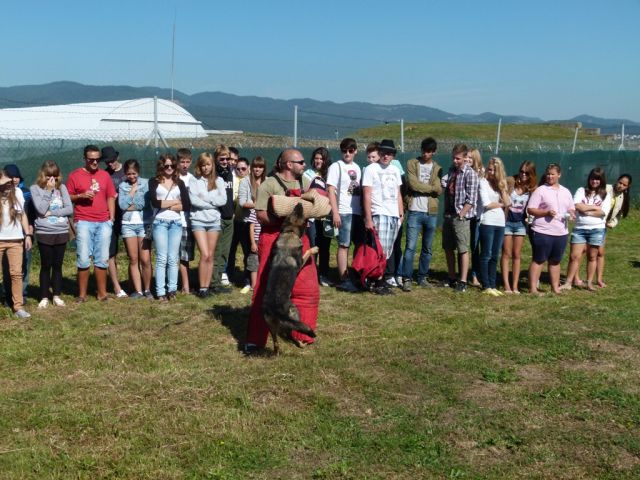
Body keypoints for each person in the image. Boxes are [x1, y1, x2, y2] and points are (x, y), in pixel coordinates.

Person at [244, 148, 317, 354]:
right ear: (288, 164)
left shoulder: (304, 182)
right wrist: (284, 218)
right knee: (265, 291)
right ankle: (256, 340)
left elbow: (313, 205)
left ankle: (302, 334)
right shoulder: (269, 184)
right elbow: (260, 215)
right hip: (273, 237)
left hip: (299, 237)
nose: (304, 165)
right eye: (301, 162)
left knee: (307, 288)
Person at [66, 145, 117, 302]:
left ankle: (102, 294)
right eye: (91, 160)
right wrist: (80, 196)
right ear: (85, 159)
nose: (95, 162)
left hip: (104, 221)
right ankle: (82, 295)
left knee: (102, 258)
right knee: (83, 258)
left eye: (97, 159)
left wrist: (111, 218)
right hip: (84, 221)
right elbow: (67, 197)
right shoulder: (75, 175)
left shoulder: (105, 175)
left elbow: (111, 196)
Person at [362, 139, 404, 295]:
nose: (386, 156)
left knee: (388, 250)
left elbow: (398, 193)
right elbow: (367, 194)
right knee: (380, 250)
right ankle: (378, 281)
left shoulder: (395, 170)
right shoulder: (371, 169)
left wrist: (400, 213)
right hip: (379, 213)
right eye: (384, 153)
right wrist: (368, 218)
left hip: (393, 214)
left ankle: (379, 278)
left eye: (390, 153)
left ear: (393, 155)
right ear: (379, 153)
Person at [526, 163, 575, 295]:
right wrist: (545, 213)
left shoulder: (566, 191)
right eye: (548, 174)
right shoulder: (540, 190)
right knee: (539, 260)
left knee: (555, 261)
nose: (550, 176)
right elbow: (530, 209)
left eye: (553, 174)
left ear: (559, 175)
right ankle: (533, 289)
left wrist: (571, 213)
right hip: (542, 231)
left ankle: (555, 288)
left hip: (561, 232)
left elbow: (571, 208)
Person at [30, 161, 73, 309]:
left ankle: (56, 295)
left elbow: (69, 209)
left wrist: (53, 212)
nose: (52, 179)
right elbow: (41, 210)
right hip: (44, 232)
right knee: (46, 265)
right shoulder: (35, 189)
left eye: (55, 176)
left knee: (57, 265)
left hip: (61, 231)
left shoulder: (62, 188)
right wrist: (48, 191)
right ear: (42, 175)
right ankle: (44, 296)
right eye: (49, 176)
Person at [560, 167, 611, 292]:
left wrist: (586, 211)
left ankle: (589, 283)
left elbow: (603, 212)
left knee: (592, 256)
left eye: (598, 179)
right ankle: (568, 283)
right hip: (580, 228)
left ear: (602, 180)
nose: (595, 181)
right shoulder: (581, 190)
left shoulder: (605, 195)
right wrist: (594, 207)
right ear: (589, 179)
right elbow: (577, 205)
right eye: (593, 178)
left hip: (597, 229)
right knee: (574, 256)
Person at [401, 137, 442, 289]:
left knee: (427, 248)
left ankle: (422, 277)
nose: (426, 154)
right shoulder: (412, 163)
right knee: (410, 246)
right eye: (424, 151)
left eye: (429, 152)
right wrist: (430, 188)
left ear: (434, 152)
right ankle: (407, 278)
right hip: (414, 211)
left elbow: (439, 189)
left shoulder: (437, 168)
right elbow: (413, 184)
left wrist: (425, 187)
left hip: (431, 212)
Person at [149, 154, 190, 302]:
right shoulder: (154, 181)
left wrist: (166, 204)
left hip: (176, 223)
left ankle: (172, 290)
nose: (169, 168)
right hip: (160, 222)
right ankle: (160, 292)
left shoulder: (179, 182)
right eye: (166, 166)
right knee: (161, 258)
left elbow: (186, 204)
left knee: (173, 258)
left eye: (172, 166)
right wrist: (174, 202)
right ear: (161, 166)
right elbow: (155, 202)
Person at [326, 137, 363, 292]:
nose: (347, 153)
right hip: (343, 211)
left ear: (355, 151)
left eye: (350, 150)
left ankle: (355, 273)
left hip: (357, 212)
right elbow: (330, 190)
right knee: (344, 244)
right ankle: (343, 278)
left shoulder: (358, 168)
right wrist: (335, 212)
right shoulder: (336, 166)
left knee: (359, 244)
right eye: (344, 150)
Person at [189, 152, 227, 298]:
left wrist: (205, 198)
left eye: (208, 164)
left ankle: (206, 287)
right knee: (204, 254)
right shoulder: (194, 180)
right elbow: (194, 201)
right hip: (198, 220)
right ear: (199, 166)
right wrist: (212, 202)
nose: (206, 168)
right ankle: (201, 287)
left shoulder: (219, 181)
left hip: (214, 221)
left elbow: (223, 200)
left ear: (212, 165)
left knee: (210, 255)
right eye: (203, 165)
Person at [442, 144, 479, 292]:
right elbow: (444, 184)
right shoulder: (451, 171)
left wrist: (461, 214)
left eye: (458, 158)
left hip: (460, 217)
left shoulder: (470, 174)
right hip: (448, 214)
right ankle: (452, 277)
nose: (455, 161)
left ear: (465, 158)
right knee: (448, 248)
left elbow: (472, 199)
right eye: (453, 158)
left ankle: (463, 281)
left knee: (462, 249)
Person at [118, 159, 152, 299]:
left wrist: (130, 205)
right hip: (128, 225)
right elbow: (122, 205)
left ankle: (147, 289)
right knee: (133, 258)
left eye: (134, 173)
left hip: (144, 223)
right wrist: (132, 191)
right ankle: (138, 291)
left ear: (138, 172)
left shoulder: (146, 183)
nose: (131, 176)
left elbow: (144, 203)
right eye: (129, 174)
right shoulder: (122, 186)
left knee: (145, 259)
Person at [501, 161, 537, 294]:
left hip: (520, 224)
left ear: (531, 174)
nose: (523, 174)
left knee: (517, 255)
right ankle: (506, 285)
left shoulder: (532, 188)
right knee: (506, 253)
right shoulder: (510, 181)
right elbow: (500, 187)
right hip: (507, 222)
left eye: (527, 173)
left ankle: (515, 286)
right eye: (521, 171)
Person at [0, 169, 32, 318]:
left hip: (16, 240)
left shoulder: (17, 192)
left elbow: (22, 215)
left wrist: (27, 235)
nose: (8, 185)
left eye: (9, 182)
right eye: (4, 183)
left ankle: (18, 306)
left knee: (16, 274)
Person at [478, 157, 510, 296]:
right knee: (486, 254)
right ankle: (486, 285)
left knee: (495, 255)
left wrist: (502, 187)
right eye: (489, 169)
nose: (491, 172)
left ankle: (493, 284)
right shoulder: (483, 182)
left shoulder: (500, 184)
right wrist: (501, 204)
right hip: (488, 221)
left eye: (494, 170)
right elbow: (486, 204)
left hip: (500, 222)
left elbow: (508, 202)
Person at [303, 147, 332, 287]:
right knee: (312, 245)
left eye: (321, 158)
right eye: (316, 158)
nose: (318, 161)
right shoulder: (307, 174)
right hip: (312, 217)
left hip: (326, 216)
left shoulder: (330, 175)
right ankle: (311, 274)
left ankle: (324, 274)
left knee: (325, 246)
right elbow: (304, 192)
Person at [101, 146, 128, 298]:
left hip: (128, 217)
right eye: (107, 162)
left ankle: (136, 285)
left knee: (134, 254)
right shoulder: (104, 174)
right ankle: (117, 287)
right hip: (110, 217)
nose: (110, 164)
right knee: (111, 252)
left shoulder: (127, 170)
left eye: (111, 160)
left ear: (117, 157)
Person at [239, 156, 266, 294]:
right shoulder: (245, 181)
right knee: (249, 254)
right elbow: (242, 202)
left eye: (260, 167)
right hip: (248, 222)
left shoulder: (268, 181)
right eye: (255, 166)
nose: (257, 169)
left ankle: (261, 281)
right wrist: (258, 205)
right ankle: (248, 281)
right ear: (251, 167)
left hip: (264, 223)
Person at [212, 145, 235, 292]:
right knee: (217, 251)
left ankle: (219, 279)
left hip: (229, 218)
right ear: (216, 159)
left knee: (225, 252)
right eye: (222, 159)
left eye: (227, 159)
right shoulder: (214, 174)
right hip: (217, 218)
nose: (225, 161)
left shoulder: (230, 173)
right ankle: (213, 282)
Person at [226, 157, 250, 284]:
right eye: (238, 169)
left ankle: (247, 277)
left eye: (243, 169)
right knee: (231, 249)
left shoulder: (251, 180)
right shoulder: (233, 179)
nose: (240, 171)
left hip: (247, 221)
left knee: (247, 250)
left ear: (248, 168)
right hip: (234, 220)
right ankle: (229, 275)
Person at [176, 148, 195, 294]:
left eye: (187, 162)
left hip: (188, 220)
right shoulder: (173, 178)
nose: (185, 165)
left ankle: (185, 285)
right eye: (182, 162)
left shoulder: (192, 179)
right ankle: (179, 285)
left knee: (185, 256)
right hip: (175, 220)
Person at [466, 148, 484, 287]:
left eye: (471, 157)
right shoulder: (463, 171)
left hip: (478, 215)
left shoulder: (481, 173)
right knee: (468, 246)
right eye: (466, 157)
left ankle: (477, 274)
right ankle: (469, 274)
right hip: (467, 214)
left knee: (477, 246)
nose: (468, 160)